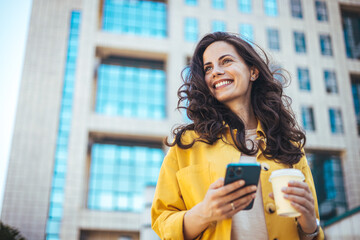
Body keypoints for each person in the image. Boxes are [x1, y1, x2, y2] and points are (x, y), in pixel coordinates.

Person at [151, 32, 324, 240]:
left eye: (226, 61)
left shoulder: (289, 143)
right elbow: (162, 222)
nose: (216, 71)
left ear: (253, 71)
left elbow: (313, 231)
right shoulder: (186, 144)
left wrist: (309, 224)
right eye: (208, 68)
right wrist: (204, 212)